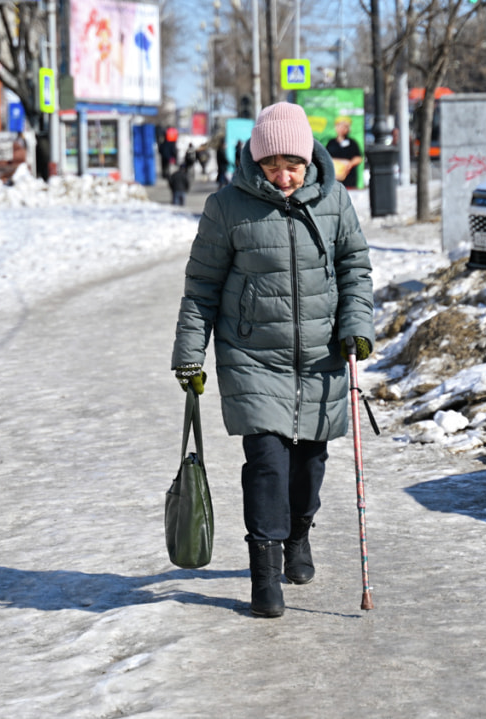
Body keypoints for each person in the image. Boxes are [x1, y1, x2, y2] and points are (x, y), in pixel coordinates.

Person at [171, 102, 375, 618]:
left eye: (293, 165)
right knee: (266, 464)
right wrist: (190, 355)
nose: (283, 177)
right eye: (271, 166)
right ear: (254, 163)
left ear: (309, 160)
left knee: (309, 467)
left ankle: (298, 534)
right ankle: (264, 576)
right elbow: (201, 288)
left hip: (321, 357)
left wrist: (357, 326)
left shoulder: (334, 201)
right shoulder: (227, 207)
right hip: (251, 356)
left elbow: (355, 267)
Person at [326, 116, 364, 189]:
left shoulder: (352, 143)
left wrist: (350, 164)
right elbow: (326, 157)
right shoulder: (331, 143)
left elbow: (358, 158)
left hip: (349, 178)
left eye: (344, 127)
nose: (341, 129)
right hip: (335, 177)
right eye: (339, 126)